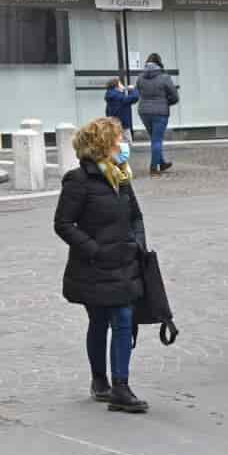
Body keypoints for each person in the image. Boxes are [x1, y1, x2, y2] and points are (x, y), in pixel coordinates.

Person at [53, 117, 149, 414]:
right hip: (94, 265)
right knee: (99, 321)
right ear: (103, 144)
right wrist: (94, 249)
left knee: (122, 317)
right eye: (119, 138)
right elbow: (63, 223)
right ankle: (100, 380)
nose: (124, 144)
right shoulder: (78, 180)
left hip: (124, 261)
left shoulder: (121, 176)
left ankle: (120, 386)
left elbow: (135, 215)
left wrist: (139, 247)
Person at [135, 53, 178, 177]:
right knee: (157, 140)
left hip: (144, 112)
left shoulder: (140, 77)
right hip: (160, 113)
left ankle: (162, 163)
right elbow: (175, 96)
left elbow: (137, 93)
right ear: (159, 63)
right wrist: (166, 103)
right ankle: (154, 168)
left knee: (154, 139)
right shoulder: (164, 77)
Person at [103, 78, 140, 142]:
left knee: (117, 144)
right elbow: (134, 97)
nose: (122, 86)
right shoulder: (117, 97)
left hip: (114, 124)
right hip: (122, 125)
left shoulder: (111, 95)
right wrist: (133, 89)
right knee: (126, 144)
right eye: (120, 84)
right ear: (116, 87)